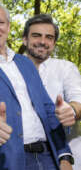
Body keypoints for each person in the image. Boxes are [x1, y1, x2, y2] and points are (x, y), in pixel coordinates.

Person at [0, 2, 73, 170]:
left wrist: (64, 155)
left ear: (8, 26)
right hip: (5, 161)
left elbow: (47, 108)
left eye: (0, 22)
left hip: (48, 159)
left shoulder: (26, 62)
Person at [23, 13, 81, 169]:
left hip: (67, 160)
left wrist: (72, 111)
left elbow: (78, 99)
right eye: (36, 36)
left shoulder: (66, 68)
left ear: (54, 43)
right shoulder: (11, 72)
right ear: (25, 39)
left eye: (49, 37)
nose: (43, 41)